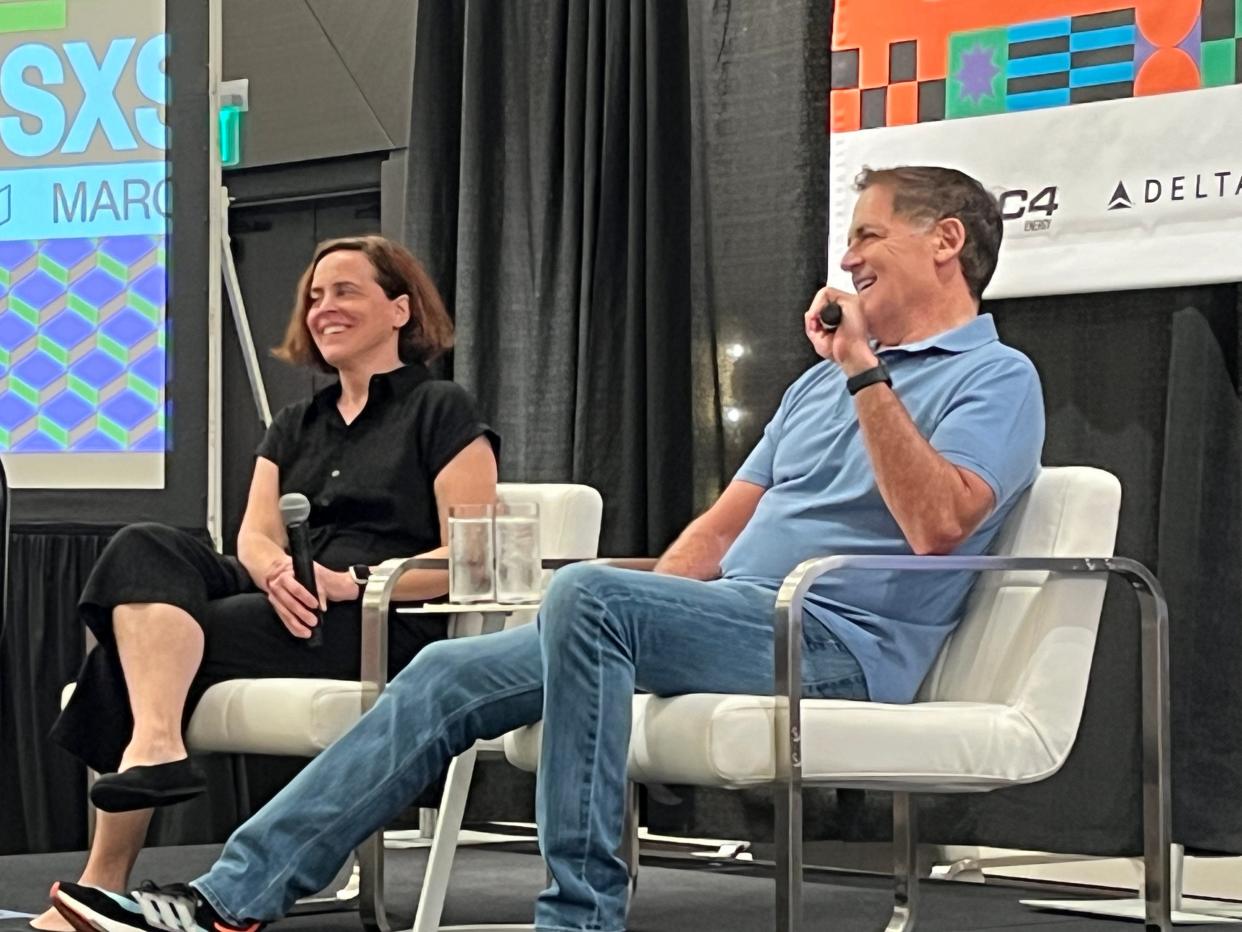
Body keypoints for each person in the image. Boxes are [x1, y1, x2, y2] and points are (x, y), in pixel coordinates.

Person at [51, 165, 1044, 932]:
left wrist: (867, 372)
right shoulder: (818, 385)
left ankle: (579, 913)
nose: (852, 256)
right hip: (739, 615)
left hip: (833, 643)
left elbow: (939, 525)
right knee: (446, 668)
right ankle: (232, 898)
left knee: (594, 598)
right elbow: (722, 528)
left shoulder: (993, 379)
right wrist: (631, 588)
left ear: (945, 240)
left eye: (867, 233)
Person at [36, 236, 499, 932]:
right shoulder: (293, 424)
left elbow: (475, 557)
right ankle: (157, 742)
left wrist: (360, 582)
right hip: (285, 594)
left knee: (140, 647)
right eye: (315, 296)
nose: (324, 307)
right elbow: (254, 535)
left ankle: (103, 877)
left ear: (400, 308)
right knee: (144, 548)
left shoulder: (442, 410)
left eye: (345, 291)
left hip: (375, 616)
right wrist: (273, 569)